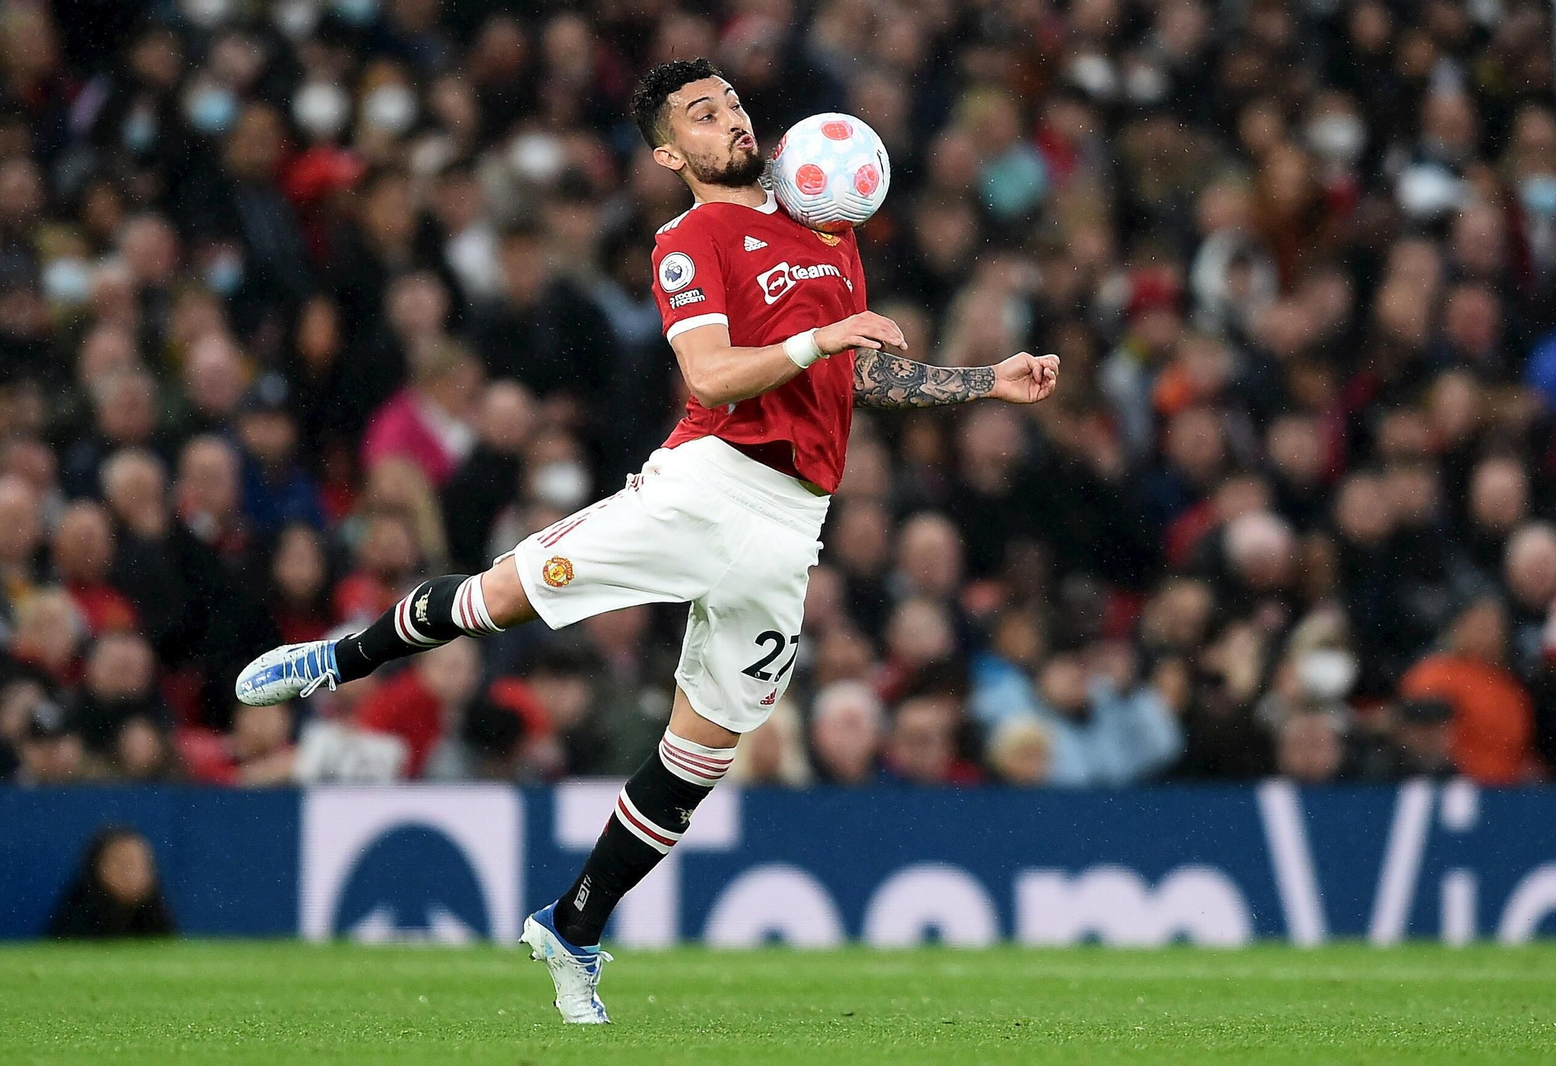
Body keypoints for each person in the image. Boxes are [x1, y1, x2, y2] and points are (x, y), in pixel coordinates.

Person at [234, 57, 1059, 1023]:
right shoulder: (690, 236)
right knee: (500, 598)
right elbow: (710, 376)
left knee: (701, 755)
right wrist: (814, 344)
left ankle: (573, 928)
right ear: (672, 152)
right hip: (703, 485)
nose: (732, 121)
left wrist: (982, 383)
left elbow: (860, 376)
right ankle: (338, 658)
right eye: (703, 116)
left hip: (795, 522)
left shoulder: (827, 228)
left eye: (735, 104)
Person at [46, 825, 176, 939]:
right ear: (96, 867)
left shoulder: (159, 924)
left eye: (140, 864)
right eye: (122, 864)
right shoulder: (73, 925)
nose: (131, 874)